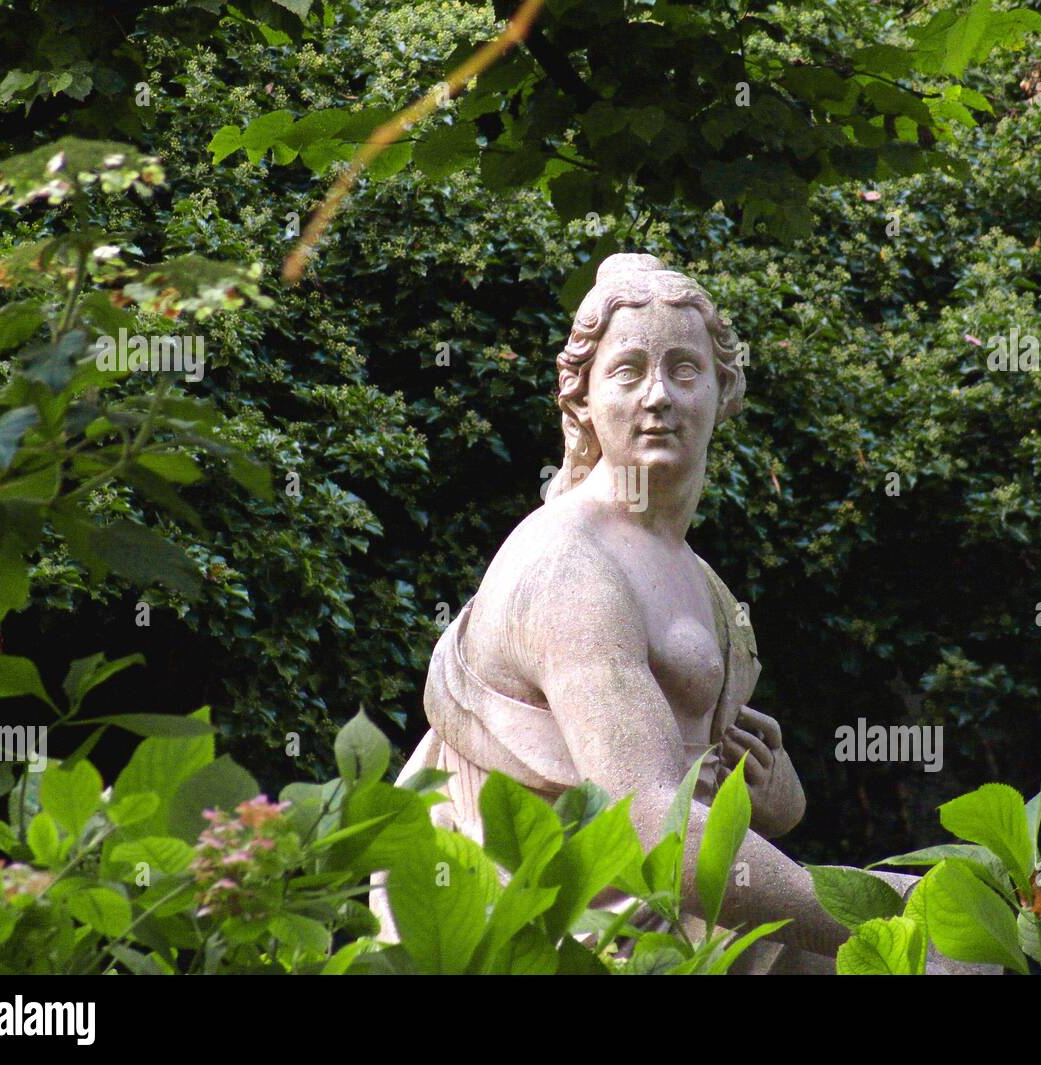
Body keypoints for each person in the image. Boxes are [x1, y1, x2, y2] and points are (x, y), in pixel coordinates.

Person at [373, 253, 926, 973]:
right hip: (567, 930)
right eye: (628, 371)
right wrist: (888, 911)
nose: (658, 396)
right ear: (583, 400)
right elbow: (653, 824)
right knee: (937, 949)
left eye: (685, 370)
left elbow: (700, 776)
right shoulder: (569, 567)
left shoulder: (703, 582)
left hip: (673, 911)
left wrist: (777, 793)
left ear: (724, 390)